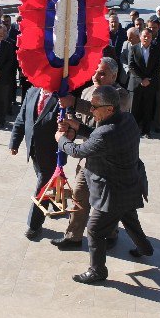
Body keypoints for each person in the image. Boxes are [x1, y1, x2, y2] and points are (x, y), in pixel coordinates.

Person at [56, 85, 153, 284]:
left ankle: (97, 270)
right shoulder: (127, 119)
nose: (90, 111)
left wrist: (61, 139)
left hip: (112, 192)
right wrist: (78, 127)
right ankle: (145, 249)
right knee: (130, 218)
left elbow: (78, 151)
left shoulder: (106, 133)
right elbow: (100, 138)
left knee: (94, 230)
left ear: (109, 109)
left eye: (94, 107)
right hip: (130, 185)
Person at [52, 58, 129, 250]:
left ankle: (110, 233)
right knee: (79, 195)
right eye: (95, 71)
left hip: (108, 159)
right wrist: (69, 125)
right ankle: (73, 236)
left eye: (102, 73)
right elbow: (82, 123)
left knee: (104, 202)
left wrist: (75, 102)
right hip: (87, 157)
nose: (96, 76)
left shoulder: (121, 94)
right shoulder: (88, 91)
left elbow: (103, 113)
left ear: (114, 75)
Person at [9, 85, 60, 240]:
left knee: (42, 185)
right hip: (33, 149)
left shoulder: (61, 97)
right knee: (45, 177)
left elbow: (68, 124)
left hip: (51, 151)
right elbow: (21, 118)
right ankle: (57, 202)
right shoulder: (32, 92)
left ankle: (34, 225)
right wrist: (14, 142)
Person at [127, 28, 160, 138]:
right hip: (136, 84)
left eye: (149, 36)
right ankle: (132, 130)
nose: (146, 38)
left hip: (150, 84)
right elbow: (131, 66)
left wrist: (148, 79)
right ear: (140, 37)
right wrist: (142, 79)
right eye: (144, 36)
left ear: (152, 38)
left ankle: (146, 131)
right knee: (134, 108)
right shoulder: (133, 48)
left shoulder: (156, 49)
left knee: (148, 108)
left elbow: (158, 67)